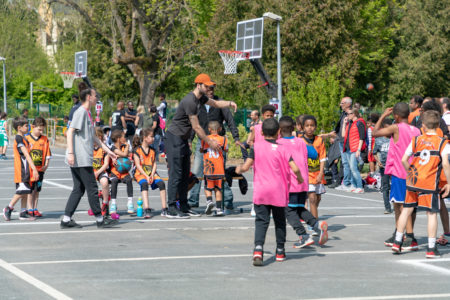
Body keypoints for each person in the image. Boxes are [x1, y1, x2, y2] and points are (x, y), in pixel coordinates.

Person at [165, 73, 237, 218]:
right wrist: (209, 142)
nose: (209, 87)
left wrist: (229, 103)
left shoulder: (201, 98)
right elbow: (197, 127)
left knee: (185, 174)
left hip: (182, 140)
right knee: (176, 174)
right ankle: (171, 207)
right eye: (206, 85)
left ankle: (184, 206)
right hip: (174, 139)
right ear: (198, 85)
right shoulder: (190, 101)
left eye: (210, 85)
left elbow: (216, 103)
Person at [235, 118, 303, 266]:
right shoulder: (283, 149)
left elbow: (246, 167)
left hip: (262, 191)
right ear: (278, 132)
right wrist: (300, 178)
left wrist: (238, 169)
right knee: (279, 222)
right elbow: (295, 168)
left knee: (261, 221)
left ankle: (258, 249)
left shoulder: (256, 147)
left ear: (262, 132)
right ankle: (280, 251)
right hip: (279, 191)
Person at [393, 110, 450, 258]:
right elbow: (445, 163)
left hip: (414, 179)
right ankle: (431, 248)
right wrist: (449, 183)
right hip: (430, 182)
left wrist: (410, 172)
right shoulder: (442, 142)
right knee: (431, 214)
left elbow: (404, 159)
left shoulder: (416, 140)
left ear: (423, 126)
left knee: (406, 210)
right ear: (437, 125)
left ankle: (397, 242)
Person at [62, 88, 118, 229]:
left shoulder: (88, 113)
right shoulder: (81, 112)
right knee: (92, 188)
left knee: (79, 189)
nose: (96, 98)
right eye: (95, 96)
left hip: (80, 157)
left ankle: (66, 219)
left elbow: (94, 138)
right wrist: (71, 154)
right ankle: (100, 219)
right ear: (88, 97)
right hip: (80, 158)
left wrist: (109, 151)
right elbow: (70, 132)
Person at [372, 103, 420, 249]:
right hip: (413, 172)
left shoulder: (396, 127)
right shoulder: (416, 130)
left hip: (400, 172)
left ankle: (406, 236)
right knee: (409, 205)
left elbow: (374, 133)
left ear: (396, 116)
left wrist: (382, 116)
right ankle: (400, 232)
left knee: (400, 205)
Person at [188, 84, 241, 211]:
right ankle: (193, 200)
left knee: (220, 172)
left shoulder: (219, 103)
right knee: (197, 172)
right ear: (203, 90)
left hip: (218, 146)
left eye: (212, 89)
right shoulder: (197, 105)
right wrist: (189, 140)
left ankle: (227, 200)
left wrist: (236, 137)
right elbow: (194, 125)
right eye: (208, 89)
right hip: (203, 143)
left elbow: (230, 120)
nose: (211, 92)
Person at [277, 116, 328, 248]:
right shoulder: (300, 141)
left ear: (279, 130)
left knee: (287, 210)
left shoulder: (279, 143)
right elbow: (314, 154)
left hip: (290, 182)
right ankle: (317, 224)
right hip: (304, 181)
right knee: (299, 208)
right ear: (294, 127)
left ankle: (303, 235)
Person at [3, 117, 39, 221]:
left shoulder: (24, 138)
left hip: (26, 170)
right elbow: (26, 155)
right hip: (22, 170)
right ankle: (8, 207)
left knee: (26, 191)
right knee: (22, 190)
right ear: (19, 128)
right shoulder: (18, 138)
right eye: (26, 126)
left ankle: (23, 212)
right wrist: (35, 169)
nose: (28, 127)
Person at [132, 128, 168, 218]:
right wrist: (146, 176)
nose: (153, 138)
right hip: (140, 173)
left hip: (151, 173)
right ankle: (146, 209)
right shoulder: (137, 150)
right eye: (151, 137)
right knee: (144, 184)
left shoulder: (152, 150)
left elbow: (154, 163)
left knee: (161, 184)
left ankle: (164, 209)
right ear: (144, 138)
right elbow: (138, 166)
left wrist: (152, 175)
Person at [301, 115, 328, 217]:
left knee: (317, 199)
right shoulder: (300, 141)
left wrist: (321, 173)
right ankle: (314, 225)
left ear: (315, 127)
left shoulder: (319, 140)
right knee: (311, 198)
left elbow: (322, 158)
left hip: (317, 173)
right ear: (303, 127)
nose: (309, 128)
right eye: (307, 125)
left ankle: (311, 216)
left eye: (312, 125)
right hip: (306, 175)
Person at [25, 117, 52, 218]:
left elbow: (48, 154)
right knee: (30, 190)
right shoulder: (27, 139)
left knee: (37, 189)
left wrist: (46, 165)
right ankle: (29, 208)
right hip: (30, 170)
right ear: (32, 127)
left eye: (42, 130)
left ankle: (35, 208)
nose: (41, 131)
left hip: (40, 169)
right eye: (39, 129)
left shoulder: (45, 139)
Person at [201, 121, 228, 216]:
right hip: (219, 169)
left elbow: (202, 149)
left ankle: (209, 201)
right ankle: (219, 209)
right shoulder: (223, 139)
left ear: (209, 129)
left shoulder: (205, 139)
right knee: (218, 189)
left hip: (209, 168)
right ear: (220, 129)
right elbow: (226, 149)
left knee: (208, 187)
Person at [109, 129, 134, 214]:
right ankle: (113, 203)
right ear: (118, 139)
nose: (125, 138)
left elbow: (128, 154)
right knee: (114, 181)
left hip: (124, 172)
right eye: (124, 137)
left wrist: (123, 152)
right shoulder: (113, 148)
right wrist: (126, 148)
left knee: (129, 180)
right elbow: (124, 154)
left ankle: (130, 202)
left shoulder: (123, 146)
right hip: (115, 171)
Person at [342, 108, 366, 194]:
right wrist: (344, 124)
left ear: (354, 114)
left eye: (349, 114)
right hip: (349, 148)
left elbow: (362, 137)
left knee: (353, 168)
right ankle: (354, 185)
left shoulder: (360, 123)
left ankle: (360, 186)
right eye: (347, 114)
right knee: (351, 168)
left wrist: (359, 149)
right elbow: (343, 135)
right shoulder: (350, 123)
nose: (347, 115)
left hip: (355, 148)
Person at [372, 118, 392, 214]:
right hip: (384, 167)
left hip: (394, 166)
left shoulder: (395, 138)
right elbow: (374, 152)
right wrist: (378, 161)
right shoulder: (379, 140)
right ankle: (387, 207)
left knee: (396, 185)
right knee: (385, 187)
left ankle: (400, 204)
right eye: (387, 128)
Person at [333, 97, 352, 191]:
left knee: (347, 163)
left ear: (348, 104)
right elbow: (339, 126)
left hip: (347, 142)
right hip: (341, 140)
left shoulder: (350, 114)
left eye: (342, 103)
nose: (340, 105)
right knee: (344, 162)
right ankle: (345, 182)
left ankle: (347, 183)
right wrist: (335, 134)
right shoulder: (343, 114)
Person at [91, 127, 111, 217]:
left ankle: (105, 204)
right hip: (91, 171)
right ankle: (94, 206)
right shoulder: (88, 148)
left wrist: (98, 172)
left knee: (105, 182)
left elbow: (106, 164)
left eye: (97, 137)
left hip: (100, 171)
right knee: (88, 187)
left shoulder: (104, 149)